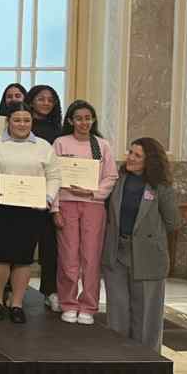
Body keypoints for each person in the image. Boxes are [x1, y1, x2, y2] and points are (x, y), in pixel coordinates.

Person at [0, 102, 60, 324]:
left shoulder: (44, 147)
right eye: (17, 120)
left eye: (26, 120)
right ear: (8, 121)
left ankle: (16, 303)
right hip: (0, 208)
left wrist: (48, 198)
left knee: (23, 259)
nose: (22, 124)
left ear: (32, 122)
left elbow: (54, 177)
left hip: (31, 210)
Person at [103, 138, 182, 351]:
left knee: (146, 316)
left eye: (137, 155)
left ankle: (146, 362)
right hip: (117, 254)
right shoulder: (118, 180)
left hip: (148, 257)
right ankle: (118, 362)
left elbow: (173, 221)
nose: (130, 157)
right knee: (117, 313)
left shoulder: (161, 187)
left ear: (150, 161)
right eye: (130, 152)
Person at [51, 100, 118, 324]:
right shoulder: (60, 143)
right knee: (68, 256)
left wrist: (93, 192)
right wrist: (55, 209)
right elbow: (52, 177)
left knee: (91, 257)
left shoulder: (101, 145)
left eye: (88, 118)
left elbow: (111, 177)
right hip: (67, 204)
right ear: (70, 120)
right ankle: (68, 302)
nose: (84, 122)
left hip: (94, 206)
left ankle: (89, 305)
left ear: (93, 120)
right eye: (79, 118)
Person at [25, 84, 64, 312]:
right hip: (24, 191)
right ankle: (13, 287)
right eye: (41, 99)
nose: (46, 103)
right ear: (32, 101)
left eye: (50, 100)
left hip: (49, 193)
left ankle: (50, 290)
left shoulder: (58, 130)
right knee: (23, 243)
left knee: (50, 247)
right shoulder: (23, 124)